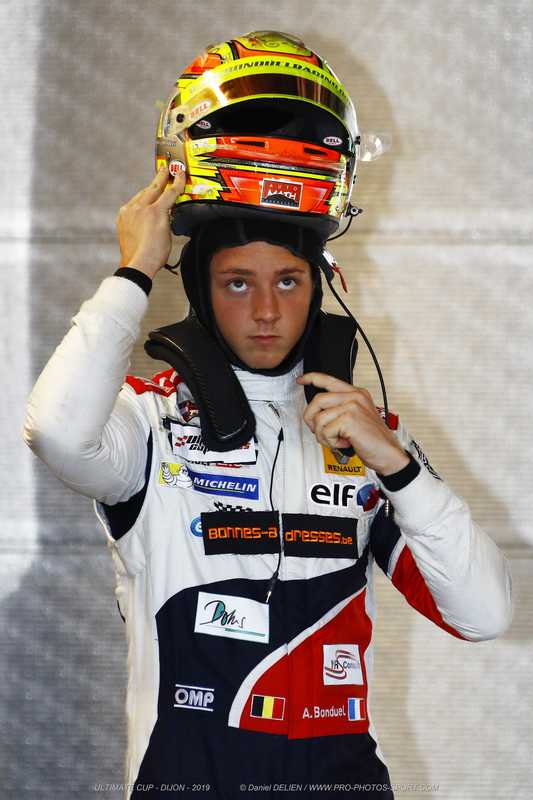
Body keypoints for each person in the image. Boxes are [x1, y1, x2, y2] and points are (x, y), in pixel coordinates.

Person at [24, 31, 512, 800]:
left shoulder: (369, 441)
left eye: (287, 282)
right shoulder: (148, 424)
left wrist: (398, 465)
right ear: (199, 290)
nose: (264, 311)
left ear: (320, 289)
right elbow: (55, 430)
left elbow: (483, 614)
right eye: (236, 283)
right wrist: (133, 269)